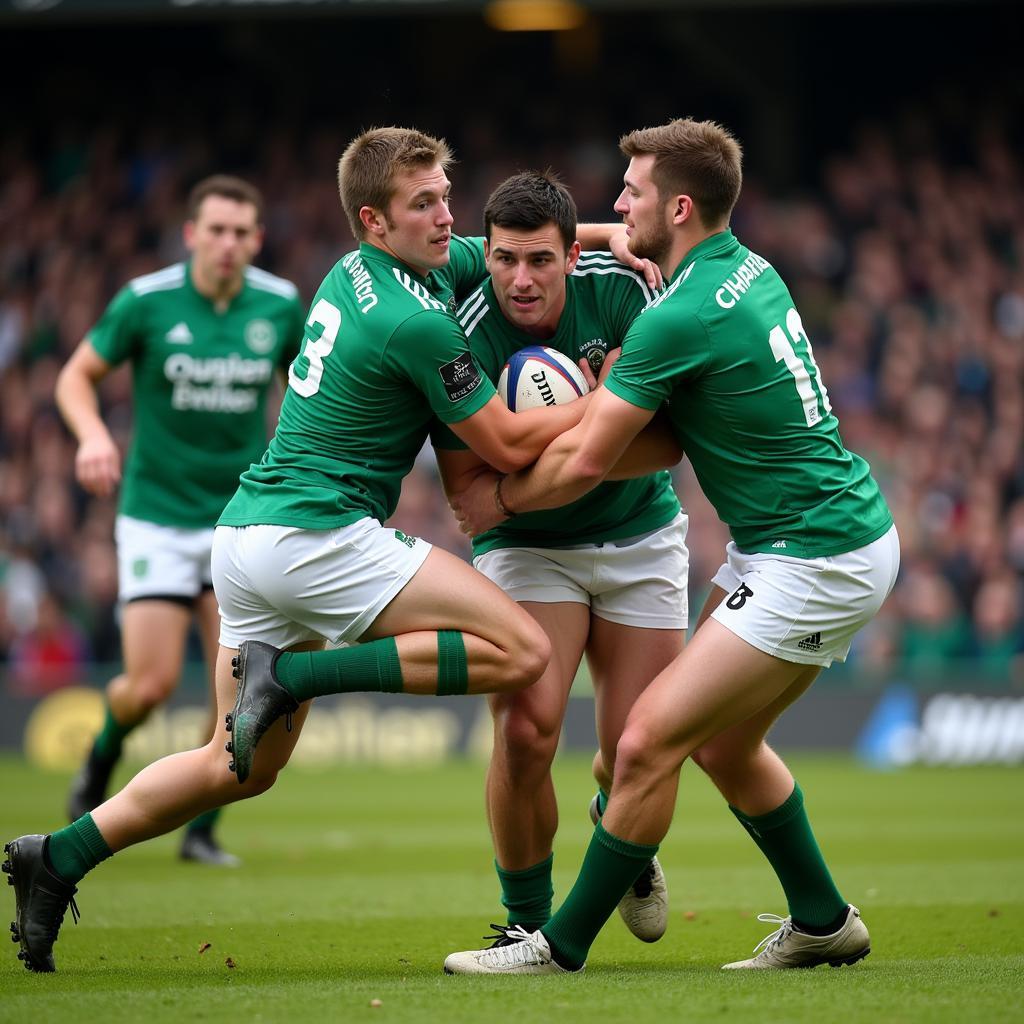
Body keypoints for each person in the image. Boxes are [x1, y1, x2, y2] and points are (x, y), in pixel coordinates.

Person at [3, 126, 636, 974]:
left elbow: (499, 247)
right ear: (376, 220)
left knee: (236, 766)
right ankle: (295, 675)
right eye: (427, 204)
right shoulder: (416, 321)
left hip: (245, 538)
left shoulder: (361, 270)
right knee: (521, 650)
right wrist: (602, 392)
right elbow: (513, 442)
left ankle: (60, 854)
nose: (449, 217)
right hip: (318, 536)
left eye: (447, 195)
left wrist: (606, 236)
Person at [443, 118, 900, 975]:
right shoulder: (743, 266)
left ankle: (558, 946)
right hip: (816, 540)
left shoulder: (674, 316)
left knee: (647, 740)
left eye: (633, 193)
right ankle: (824, 920)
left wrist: (495, 496)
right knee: (723, 745)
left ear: (679, 206)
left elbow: (586, 461)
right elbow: (662, 440)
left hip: (814, 553)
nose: (618, 205)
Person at [434, 171, 687, 948]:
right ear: (488, 253)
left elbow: (667, 444)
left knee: (631, 753)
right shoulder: (459, 329)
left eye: (540, 260)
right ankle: (526, 925)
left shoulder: (624, 292)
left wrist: (538, 467)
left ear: (573, 255)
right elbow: (471, 494)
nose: (521, 279)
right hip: (527, 550)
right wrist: (597, 417)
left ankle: (623, 838)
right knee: (523, 733)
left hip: (640, 536)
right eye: (505, 258)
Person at [54, 175, 306, 867]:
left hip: (240, 518)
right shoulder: (146, 301)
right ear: (191, 235)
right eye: (216, 230)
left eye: (242, 233)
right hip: (157, 515)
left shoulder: (280, 306)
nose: (228, 244)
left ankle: (199, 829)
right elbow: (75, 377)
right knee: (151, 684)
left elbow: (308, 388)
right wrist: (93, 437)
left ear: (257, 240)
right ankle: (98, 764)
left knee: (235, 689)